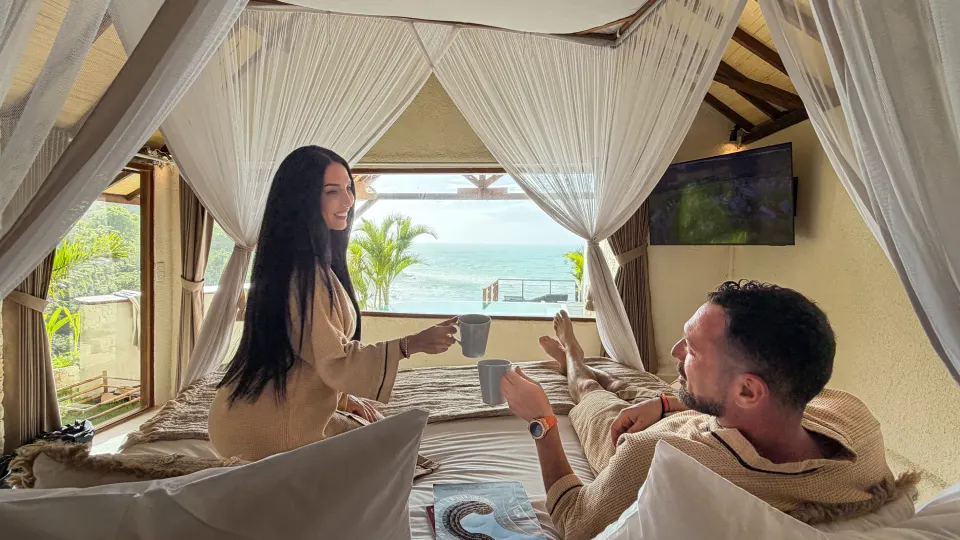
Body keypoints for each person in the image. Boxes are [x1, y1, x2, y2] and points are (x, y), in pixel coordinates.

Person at [501, 281, 916, 540]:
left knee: (590, 392)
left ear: (748, 391)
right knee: (635, 385)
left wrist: (542, 421)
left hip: (637, 433)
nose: (674, 352)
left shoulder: (655, 459)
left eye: (692, 349)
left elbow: (575, 522)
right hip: (684, 412)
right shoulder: (855, 420)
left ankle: (573, 358)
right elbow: (773, 400)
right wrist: (666, 400)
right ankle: (608, 376)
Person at [208, 146, 457, 461]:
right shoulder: (306, 276)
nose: (349, 201)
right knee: (394, 455)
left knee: (380, 430)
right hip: (269, 430)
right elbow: (335, 359)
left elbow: (311, 354)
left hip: (249, 414)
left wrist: (343, 400)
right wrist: (411, 344)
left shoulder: (294, 264)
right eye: (332, 191)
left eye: (349, 188)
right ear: (303, 199)